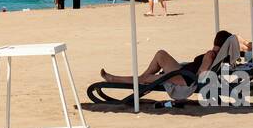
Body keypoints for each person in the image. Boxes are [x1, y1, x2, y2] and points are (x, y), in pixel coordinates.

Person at [101, 30, 239, 90]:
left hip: (184, 78)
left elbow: (200, 76)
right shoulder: (218, 57)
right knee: (159, 57)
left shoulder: (211, 55)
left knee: (149, 76)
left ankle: (115, 79)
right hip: (183, 72)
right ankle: (140, 77)